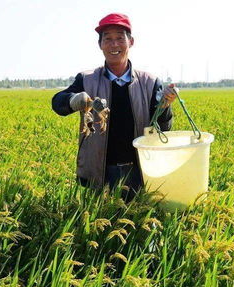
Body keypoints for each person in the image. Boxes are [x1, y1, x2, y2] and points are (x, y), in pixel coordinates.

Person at [51, 13, 177, 201]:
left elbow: (163, 128)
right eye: (108, 39)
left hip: (139, 171)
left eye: (120, 38)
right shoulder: (87, 80)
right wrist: (73, 100)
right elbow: (58, 103)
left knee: (135, 223)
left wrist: (165, 106)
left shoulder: (149, 82)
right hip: (100, 172)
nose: (114, 44)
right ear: (100, 44)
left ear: (131, 42)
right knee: (97, 224)